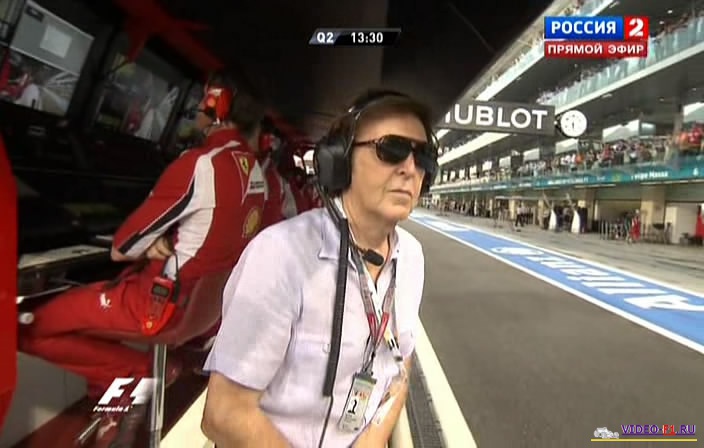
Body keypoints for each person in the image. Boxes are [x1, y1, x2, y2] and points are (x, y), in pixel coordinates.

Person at [18, 73, 267, 447]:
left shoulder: (201, 163)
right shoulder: (257, 173)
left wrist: (149, 243)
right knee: (84, 319)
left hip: (155, 306)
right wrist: (166, 240)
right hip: (201, 310)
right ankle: (116, 400)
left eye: (203, 100)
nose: (198, 109)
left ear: (217, 105)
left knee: (24, 326)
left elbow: (122, 246)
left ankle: (136, 374)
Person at [201, 89, 438, 447]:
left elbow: (400, 367)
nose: (409, 168)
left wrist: (371, 442)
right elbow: (225, 414)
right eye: (391, 149)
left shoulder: (413, 258)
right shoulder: (281, 255)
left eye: (423, 157)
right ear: (339, 161)